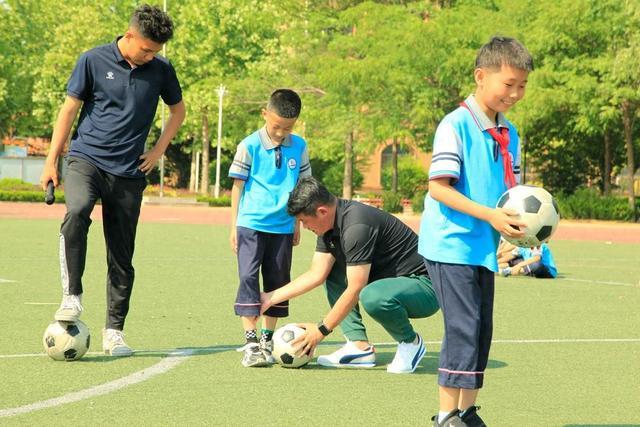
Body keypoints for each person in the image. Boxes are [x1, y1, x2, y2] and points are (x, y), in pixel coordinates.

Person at [39, 4, 185, 357]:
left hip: (129, 171)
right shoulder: (92, 60)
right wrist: (51, 160)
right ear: (130, 35)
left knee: (122, 255)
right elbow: (70, 109)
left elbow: (178, 111)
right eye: (147, 49)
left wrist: (158, 151)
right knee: (77, 211)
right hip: (85, 158)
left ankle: (114, 332)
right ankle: (72, 296)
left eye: (156, 51)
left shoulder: (161, 69)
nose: (151, 56)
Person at [418, 36, 533, 426]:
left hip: (482, 246)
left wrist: (520, 229)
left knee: (481, 329)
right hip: (450, 245)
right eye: (508, 84)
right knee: (463, 327)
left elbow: (511, 194)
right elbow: (438, 187)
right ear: (481, 76)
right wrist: (490, 217)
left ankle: (467, 411)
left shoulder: (509, 133)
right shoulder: (456, 125)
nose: (515, 93)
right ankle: (445, 414)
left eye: (522, 85)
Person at [260, 176, 440, 374]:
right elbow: (316, 273)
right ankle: (358, 346)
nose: (304, 227)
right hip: (393, 281)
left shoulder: (356, 226)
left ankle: (410, 342)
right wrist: (269, 298)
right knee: (333, 270)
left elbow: (356, 288)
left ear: (322, 211)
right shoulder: (329, 226)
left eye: (304, 221)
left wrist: (320, 331)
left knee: (372, 295)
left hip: (426, 286)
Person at [228, 89, 312, 367]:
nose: (280, 133)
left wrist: (298, 223)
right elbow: (237, 187)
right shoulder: (249, 145)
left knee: (278, 281)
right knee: (248, 277)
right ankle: (250, 341)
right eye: (276, 126)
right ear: (264, 114)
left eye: (287, 128)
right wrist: (234, 226)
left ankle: (267, 338)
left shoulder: (299, 146)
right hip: (251, 224)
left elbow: (303, 187)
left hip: (284, 226)